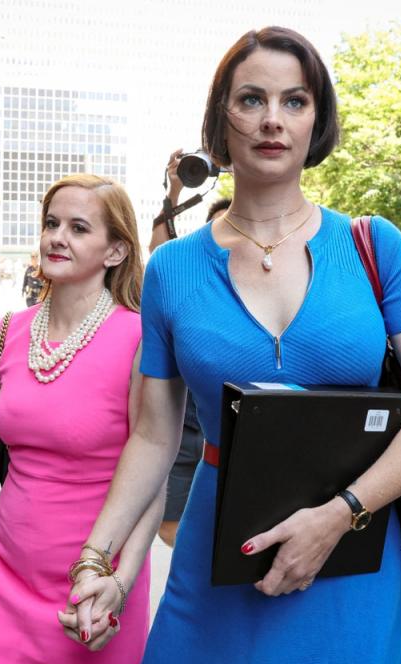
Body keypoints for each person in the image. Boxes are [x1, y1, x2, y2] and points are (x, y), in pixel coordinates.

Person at [64, 27, 401, 664]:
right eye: (251, 99)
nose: (273, 120)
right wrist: (97, 556)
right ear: (221, 118)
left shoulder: (376, 246)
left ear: (318, 120)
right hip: (217, 558)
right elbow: (152, 434)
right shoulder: (171, 268)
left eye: (296, 101)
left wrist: (341, 514)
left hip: (352, 558)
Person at [0, 174, 159, 664]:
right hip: (4, 570)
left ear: (116, 251)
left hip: (91, 584)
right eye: (52, 223)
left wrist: (121, 579)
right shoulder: (8, 329)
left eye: (78, 228)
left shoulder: (140, 337)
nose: (57, 237)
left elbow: (153, 476)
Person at [150, 153, 230, 547]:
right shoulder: (187, 275)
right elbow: (159, 252)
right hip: (185, 433)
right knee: (172, 530)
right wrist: (175, 190)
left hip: (232, 437)